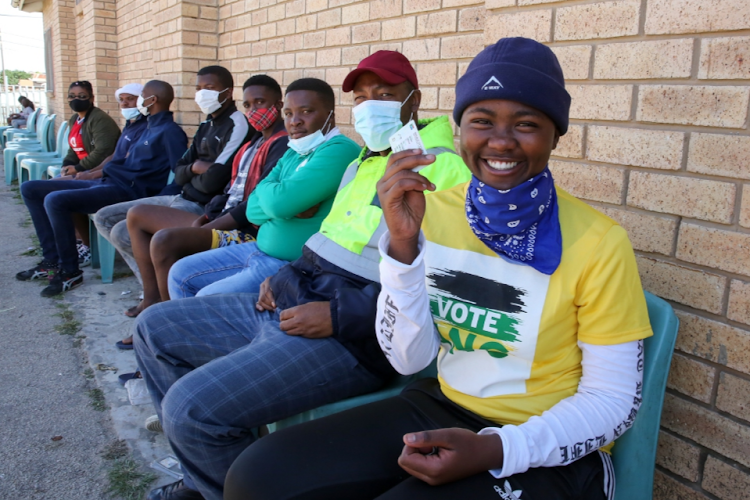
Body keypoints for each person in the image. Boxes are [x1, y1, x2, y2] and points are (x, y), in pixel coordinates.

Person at [224, 38, 653, 500]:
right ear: (460, 128)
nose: (501, 141)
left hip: (551, 446)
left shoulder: (598, 242)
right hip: (442, 406)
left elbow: (613, 403)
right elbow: (408, 358)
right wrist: (402, 250)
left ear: (555, 132)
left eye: (526, 124)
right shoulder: (432, 210)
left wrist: (495, 450)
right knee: (259, 477)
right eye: (481, 121)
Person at [133, 50, 470, 500]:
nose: (371, 106)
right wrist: (287, 273)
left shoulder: (442, 167)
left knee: (191, 409)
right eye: (363, 96)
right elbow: (322, 238)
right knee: (153, 327)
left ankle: (222, 480)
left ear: (414, 101)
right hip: (292, 299)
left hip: (349, 334)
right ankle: (211, 477)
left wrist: (338, 315)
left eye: (385, 94)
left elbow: (440, 286)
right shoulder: (365, 162)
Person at [16, 80, 187, 297]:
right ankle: (51, 261)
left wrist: (160, 202)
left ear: (151, 100)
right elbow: (117, 159)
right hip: (109, 181)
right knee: (31, 188)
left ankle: (70, 271)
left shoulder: (169, 131)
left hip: (129, 191)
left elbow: (179, 171)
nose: (129, 102)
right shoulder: (144, 126)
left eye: (140, 95)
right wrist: (86, 174)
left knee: (55, 200)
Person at [92, 66, 251, 289]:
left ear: (228, 91)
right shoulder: (206, 123)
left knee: (122, 229)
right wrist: (195, 167)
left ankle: (159, 289)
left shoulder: (238, 123)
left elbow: (213, 181)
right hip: (181, 195)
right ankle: (155, 285)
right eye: (198, 88)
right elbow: (179, 168)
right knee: (104, 219)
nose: (202, 93)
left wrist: (192, 172)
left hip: (202, 206)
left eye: (209, 88)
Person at [55, 83, 148, 267]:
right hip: (105, 175)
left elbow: (106, 152)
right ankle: (73, 244)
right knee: (51, 189)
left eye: (131, 99)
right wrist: (70, 165)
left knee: (59, 196)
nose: (125, 104)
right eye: (122, 100)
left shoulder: (145, 127)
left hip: (121, 184)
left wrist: (86, 171)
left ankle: (86, 247)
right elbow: (78, 149)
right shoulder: (129, 125)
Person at [59, 81, 122, 178]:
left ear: (92, 98)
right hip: (80, 169)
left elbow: (103, 151)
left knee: (42, 188)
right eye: (72, 96)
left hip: (95, 171)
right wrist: (66, 165)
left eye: (82, 96)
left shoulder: (100, 119)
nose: (76, 99)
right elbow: (73, 149)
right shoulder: (74, 119)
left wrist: (78, 168)